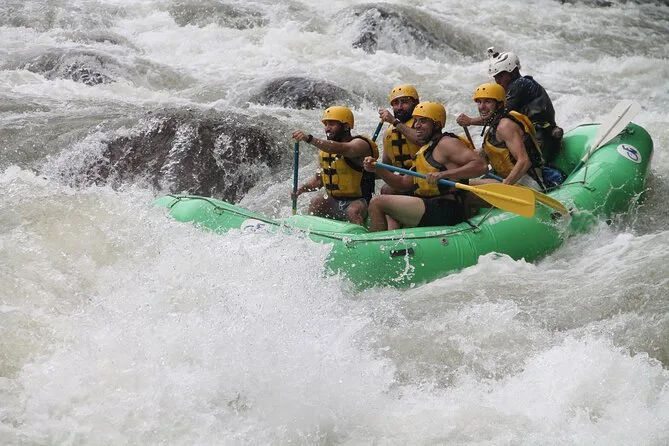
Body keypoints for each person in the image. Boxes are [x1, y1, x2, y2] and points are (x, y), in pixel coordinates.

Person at [362, 102, 487, 232]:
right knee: (384, 197)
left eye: (423, 121)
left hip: (447, 208)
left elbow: (481, 166)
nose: (417, 125)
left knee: (377, 202)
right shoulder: (425, 150)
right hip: (430, 204)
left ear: (437, 125)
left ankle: (376, 241)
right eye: (416, 121)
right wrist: (378, 169)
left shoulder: (447, 143)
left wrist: (444, 174)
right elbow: (403, 183)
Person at [457, 48, 563, 165]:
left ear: (513, 72)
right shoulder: (516, 86)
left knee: (501, 129)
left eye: (501, 76)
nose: (498, 81)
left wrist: (470, 121)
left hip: (542, 137)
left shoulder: (520, 84)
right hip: (535, 133)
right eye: (495, 77)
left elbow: (498, 116)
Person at [291, 106, 379, 225]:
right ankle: (312, 231)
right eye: (326, 124)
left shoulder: (360, 144)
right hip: (335, 201)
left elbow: (343, 148)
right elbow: (318, 181)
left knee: (353, 211)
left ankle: (361, 233)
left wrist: (310, 139)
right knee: (316, 202)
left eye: (332, 124)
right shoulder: (324, 151)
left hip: (361, 201)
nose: (327, 128)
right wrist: (300, 189)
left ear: (346, 126)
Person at [467, 83, 546, 190]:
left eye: (487, 102)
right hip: (510, 179)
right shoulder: (494, 126)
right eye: (479, 102)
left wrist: (506, 185)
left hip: (528, 182)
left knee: (467, 187)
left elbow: (524, 161)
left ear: (499, 105)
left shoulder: (505, 126)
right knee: (466, 184)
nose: (482, 107)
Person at [377, 85, 423, 194]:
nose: (400, 107)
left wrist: (394, 121)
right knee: (386, 190)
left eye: (404, 102)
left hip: (425, 175)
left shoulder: (424, 123)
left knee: (388, 189)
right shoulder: (389, 132)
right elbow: (388, 167)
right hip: (404, 179)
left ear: (416, 103)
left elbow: (420, 139)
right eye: (396, 103)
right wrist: (368, 168)